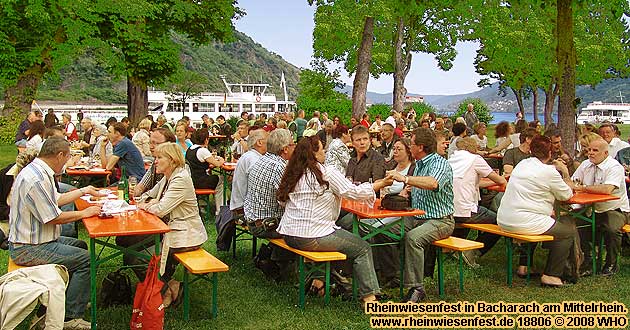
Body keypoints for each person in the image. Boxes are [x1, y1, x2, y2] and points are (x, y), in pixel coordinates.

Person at [276, 135, 392, 305]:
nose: (325, 152)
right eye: (323, 149)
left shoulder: (293, 172)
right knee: (362, 248)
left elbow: (281, 201)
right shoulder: (327, 173)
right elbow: (354, 192)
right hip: (312, 236)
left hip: (289, 234)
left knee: (335, 238)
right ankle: (370, 298)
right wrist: (380, 184)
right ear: (314, 153)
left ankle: (318, 283)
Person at [8, 137, 102, 329]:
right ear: (60, 155)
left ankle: (73, 297)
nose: (68, 162)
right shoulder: (37, 178)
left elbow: (55, 199)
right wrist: (84, 213)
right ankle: (70, 317)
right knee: (86, 259)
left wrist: (83, 190)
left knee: (81, 246)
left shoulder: (38, 171)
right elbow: (52, 217)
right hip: (29, 248)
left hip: (34, 241)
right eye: (68, 157)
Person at [382, 128, 454, 302]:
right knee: (382, 230)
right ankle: (393, 275)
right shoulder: (419, 165)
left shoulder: (439, 163)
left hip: (440, 220)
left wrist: (405, 179)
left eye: (411, 144)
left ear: (420, 147)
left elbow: (433, 183)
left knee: (413, 238)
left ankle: (416, 288)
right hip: (416, 216)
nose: (409, 147)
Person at [497, 135, 578, 287]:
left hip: (505, 218)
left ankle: (524, 265)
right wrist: (565, 172)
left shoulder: (522, 164)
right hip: (526, 221)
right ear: (549, 154)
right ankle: (552, 275)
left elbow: (539, 174)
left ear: (531, 150)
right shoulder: (550, 173)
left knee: (540, 222)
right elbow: (566, 195)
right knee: (567, 231)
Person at [138, 142, 208, 307]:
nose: (155, 161)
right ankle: (169, 286)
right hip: (170, 230)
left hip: (186, 235)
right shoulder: (167, 178)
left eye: (159, 157)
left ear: (172, 160)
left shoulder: (181, 179)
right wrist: (148, 202)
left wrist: (148, 204)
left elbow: (161, 209)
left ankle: (168, 288)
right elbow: (147, 195)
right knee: (127, 243)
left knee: (139, 256)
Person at [572, 138, 630, 277]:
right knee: (573, 224)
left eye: (595, 150)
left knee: (611, 228)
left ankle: (611, 264)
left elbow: (607, 189)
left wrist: (583, 188)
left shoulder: (614, 167)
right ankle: (588, 261)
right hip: (590, 208)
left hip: (614, 209)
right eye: (589, 150)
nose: (590, 153)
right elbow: (573, 182)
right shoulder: (585, 164)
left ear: (605, 153)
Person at [449, 137, 507, 268]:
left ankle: (457, 250)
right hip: (465, 209)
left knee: (468, 215)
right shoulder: (475, 160)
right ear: (474, 148)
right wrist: (501, 179)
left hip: (449, 209)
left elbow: (474, 182)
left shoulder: (451, 160)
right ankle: (473, 251)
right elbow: (501, 181)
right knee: (499, 222)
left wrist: (493, 182)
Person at [244, 129, 295, 238]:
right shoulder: (279, 167)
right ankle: (277, 255)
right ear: (285, 149)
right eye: (293, 144)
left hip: (253, 220)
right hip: (266, 225)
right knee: (305, 229)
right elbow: (286, 200)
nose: (295, 147)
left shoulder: (261, 159)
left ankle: (270, 253)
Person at [229, 129, 268, 216]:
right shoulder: (253, 159)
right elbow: (260, 189)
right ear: (259, 143)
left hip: (242, 205)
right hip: (243, 209)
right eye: (268, 140)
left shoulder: (251, 156)